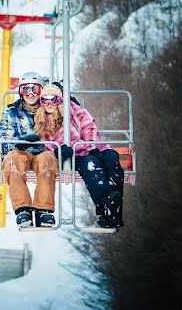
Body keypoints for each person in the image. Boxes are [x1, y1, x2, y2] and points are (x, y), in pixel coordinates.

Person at [37, 84, 125, 229]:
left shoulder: (72, 109)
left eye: (52, 99)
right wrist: (59, 152)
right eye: (44, 100)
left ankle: (112, 214)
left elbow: (88, 125)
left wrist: (92, 145)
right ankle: (105, 206)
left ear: (59, 99)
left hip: (94, 146)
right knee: (91, 165)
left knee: (112, 161)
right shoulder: (42, 120)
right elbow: (46, 143)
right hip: (77, 154)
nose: (49, 104)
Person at [0, 71, 59, 228]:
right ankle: (23, 209)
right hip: (20, 152)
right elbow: (1, 137)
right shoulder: (12, 112)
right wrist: (18, 143)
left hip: (42, 152)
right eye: (26, 90)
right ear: (20, 92)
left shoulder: (49, 110)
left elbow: (59, 133)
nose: (30, 94)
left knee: (47, 161)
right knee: (12, 161)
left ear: (41, 91)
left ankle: (42, 210)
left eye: (34, 90)